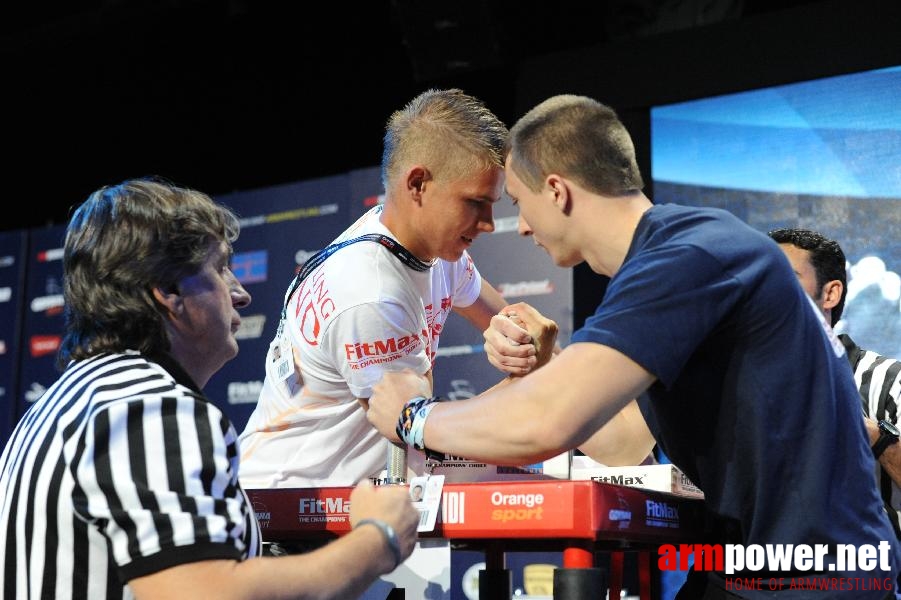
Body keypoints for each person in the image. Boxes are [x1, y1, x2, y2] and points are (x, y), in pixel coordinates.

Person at [366, 95, 901, 598]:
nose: (521, 227)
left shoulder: (689, 255)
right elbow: (623, 442)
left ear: (558, 191)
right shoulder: (673, 256)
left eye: (518, 204)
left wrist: (412, 418)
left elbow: (545, 424)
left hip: (815, 573)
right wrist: (548, 369)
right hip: (762, 566)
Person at [0, 178, 418, 600]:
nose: (240, 293)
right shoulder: (151, 409)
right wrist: (378, 538)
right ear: (168, 292)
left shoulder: (58, 406)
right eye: (219, 268)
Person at [238, 88, 520, 488]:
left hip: (345, 504)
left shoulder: (427, 247)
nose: (489, 222)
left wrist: (521, 341)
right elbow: (415, 429)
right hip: (292, 513)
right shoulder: (371, 293)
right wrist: (532, 395)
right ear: (418, 184)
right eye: (475, 203)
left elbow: (503, 321)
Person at [769, 227, 901, 538]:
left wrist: (874, 435)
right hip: (750, 571)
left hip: (866, 572)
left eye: (784, 279)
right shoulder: (736, 384)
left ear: (830, 293)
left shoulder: (889, 380)